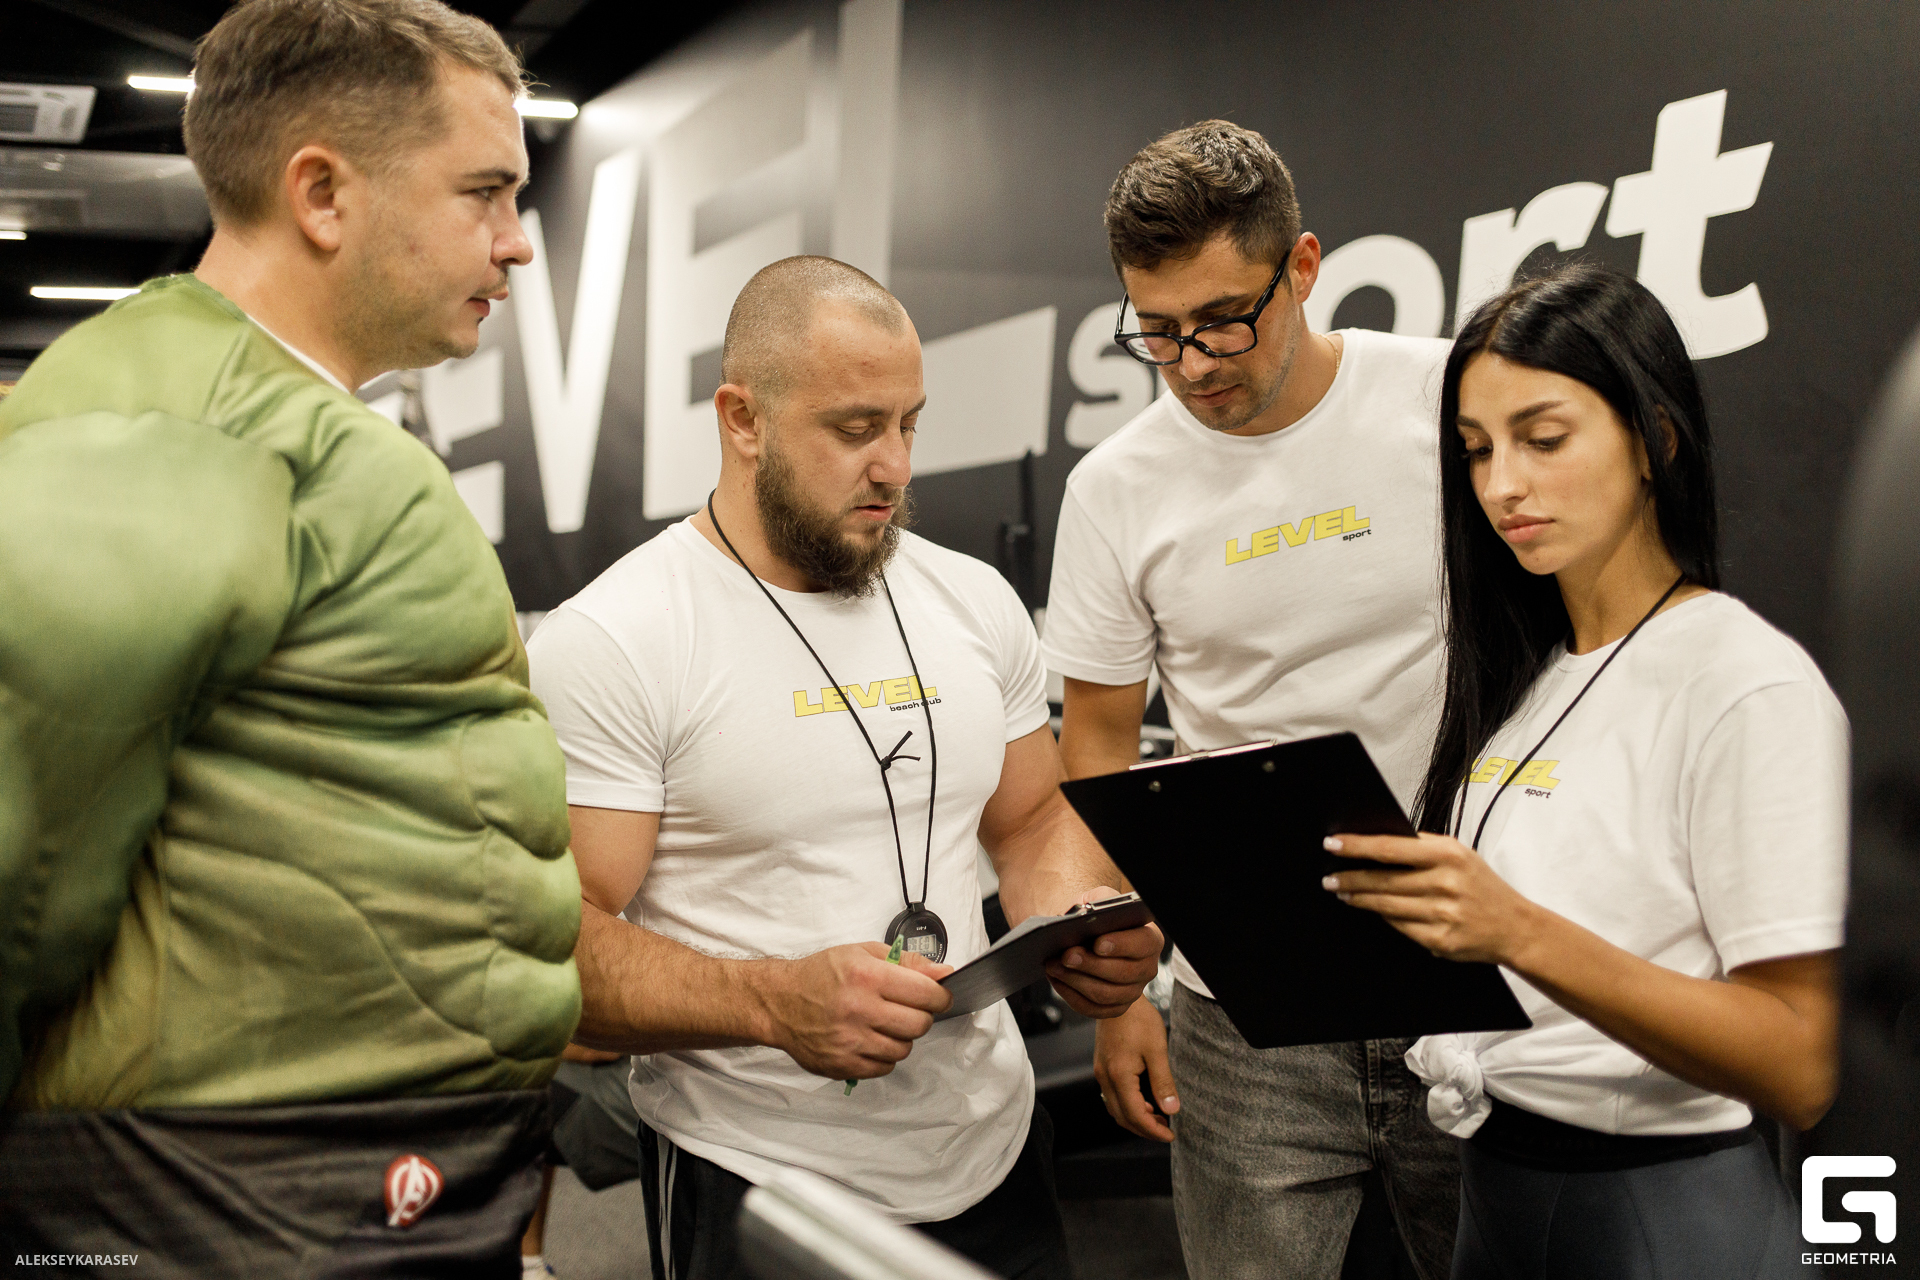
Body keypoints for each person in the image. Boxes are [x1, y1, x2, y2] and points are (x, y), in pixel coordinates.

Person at [0, 1, 580, 1272]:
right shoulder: (182, 430)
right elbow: (17, 841)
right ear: (322, 193)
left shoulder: (272, 422)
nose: (516, 242)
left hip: (336, 1191)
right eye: (485, 192)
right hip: (217, 1207)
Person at [525, 255, 1163, 1280]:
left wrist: (1080, 921)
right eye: (857, 428)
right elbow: (556, 946)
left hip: (992, 1148)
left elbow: (1031, 823)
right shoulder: (615, 638)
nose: (895, 465)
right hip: (757, 1174)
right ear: (743, 419)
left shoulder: (972, 599)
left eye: (909, 423)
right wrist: (770, 1002)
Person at [1325, 265, 1844, 1278]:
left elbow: (1801, 1059)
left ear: (1655, 440)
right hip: (1498, 1193)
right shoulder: (1527, 677)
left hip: (1661, 1212)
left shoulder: (1746, 682)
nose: (1500, 486)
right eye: (1477, 449)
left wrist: (1515, 929)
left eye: (1544, 438)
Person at [1042, 120, 1460, 1278]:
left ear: (1305, 266)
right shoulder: (1115, 488)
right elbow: (1099, 751)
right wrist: (1122, 994)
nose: (1193, 363)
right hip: (1242, 1005)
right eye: (1156, 330)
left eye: (1227, 317)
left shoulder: (1449, 400)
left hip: (1467, 959)